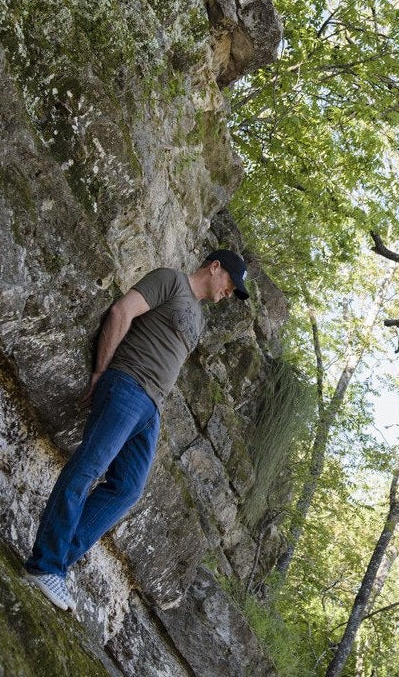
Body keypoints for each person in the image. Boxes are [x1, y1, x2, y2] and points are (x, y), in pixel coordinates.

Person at [24, 249, 250, 611]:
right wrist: (101, 372)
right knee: (88, 468)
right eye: (231, 284)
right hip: (127, 384)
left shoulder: (198, 317)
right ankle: (46, 565)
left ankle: (58, 561)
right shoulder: (170, 280)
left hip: (151, 408)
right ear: (214, 267)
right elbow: (121, 311)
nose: (229, 292)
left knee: (128, 488)